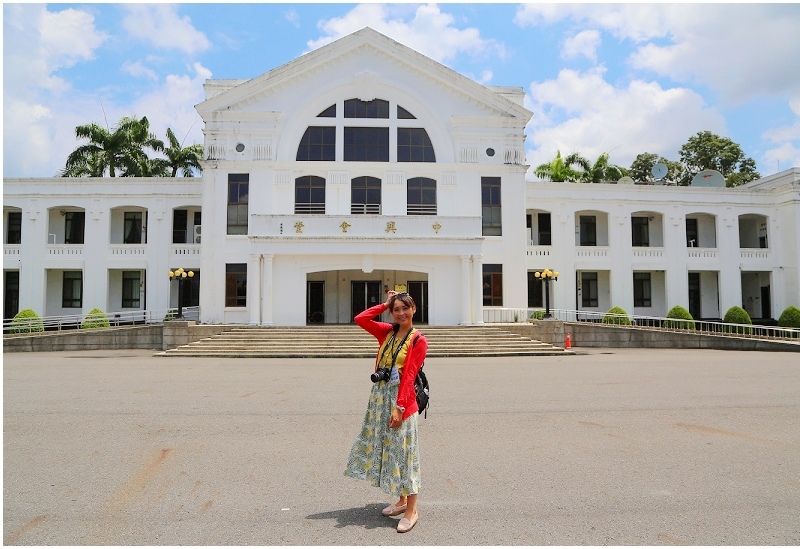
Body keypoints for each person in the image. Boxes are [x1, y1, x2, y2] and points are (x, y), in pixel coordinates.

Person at [344, 290, 428, 533]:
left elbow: (409, 375)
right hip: (381, 398)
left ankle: (412, 508)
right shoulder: (387, 332)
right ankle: (401, 501)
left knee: (406, 453)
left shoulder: (417, 340)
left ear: (414, 310)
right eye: (396, 309)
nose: (401, 313)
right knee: (391, 450)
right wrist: (385, 303)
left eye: (405, 308)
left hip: (402, 401)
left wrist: (399, 408)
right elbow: (361, 319)